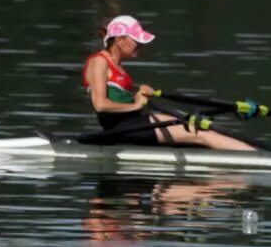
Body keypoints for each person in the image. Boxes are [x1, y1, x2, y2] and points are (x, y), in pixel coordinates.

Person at [82, 15, 252, 150]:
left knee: (193, 129)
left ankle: (252, 156)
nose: (140, 45)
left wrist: (137, 95)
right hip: (123, 128)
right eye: (136, 40)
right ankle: (259, 159)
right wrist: (135, 105)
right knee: (199, 132)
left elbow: (118, 97)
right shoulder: (99, 62)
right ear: (119, 40)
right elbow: (100, 104)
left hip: (134, 123)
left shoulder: (117, 65)